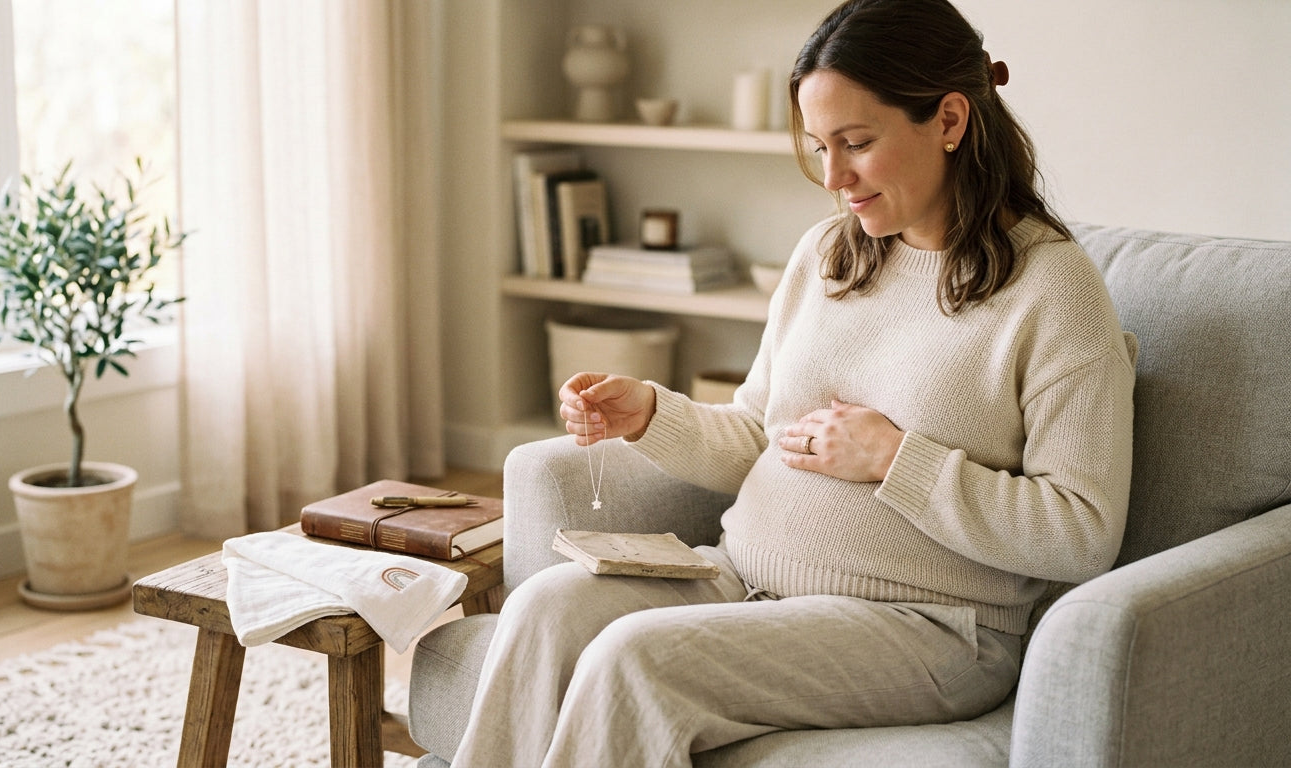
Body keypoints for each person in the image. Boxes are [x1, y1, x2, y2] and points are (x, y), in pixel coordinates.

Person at [452, 0, 1135, 765]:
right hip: (742, 577)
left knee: (636, 659)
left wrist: (894, 458)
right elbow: (759, 435)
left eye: (856, 143)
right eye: (819, 146)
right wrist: (649, 414)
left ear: (948, 120)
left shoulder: (1053, 289)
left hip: (931, 628)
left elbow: (1082, 531)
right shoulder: (828, 255)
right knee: (546, 604)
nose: (834, 177)